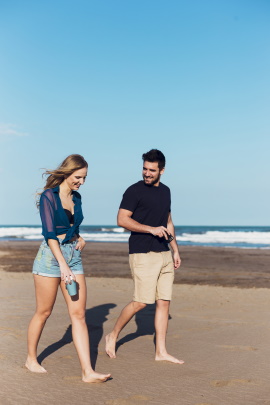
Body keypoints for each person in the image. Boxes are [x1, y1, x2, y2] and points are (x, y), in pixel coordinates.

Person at [25, 154, 111, 383]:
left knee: (79, 314)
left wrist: (79, 237)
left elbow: (71, 225)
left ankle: (87, 372)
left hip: (73, 256)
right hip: (51, 258)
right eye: (78, 177)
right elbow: (50, 234)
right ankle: (31, 359)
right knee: (44, 312)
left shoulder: (78, 198)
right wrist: (63, 266)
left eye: (84, 178)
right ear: (67, 172)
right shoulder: (48, 197)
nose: (81, 182)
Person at [105, 149, 183, 364]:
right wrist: (150, 229)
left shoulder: (166, 191)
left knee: (164, 303)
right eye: (144, 169)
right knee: (140, 302)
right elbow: (122, 219)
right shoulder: (133, 191)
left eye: (152, 170)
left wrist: (175, 249)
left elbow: (168, 222)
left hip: (164, 253)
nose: (147, 173)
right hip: (143, 253)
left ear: (162, 171)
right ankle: (113, 335)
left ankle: (161, 352)